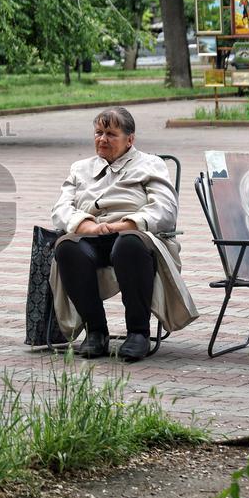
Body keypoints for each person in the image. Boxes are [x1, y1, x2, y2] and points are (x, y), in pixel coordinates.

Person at [50, 107, 197, 361]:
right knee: (67, 247)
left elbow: (165, 209)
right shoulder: (80, 168)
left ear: (130, 139)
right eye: (98, 133)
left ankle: (138, 332)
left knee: (128, 244)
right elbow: (61, 208)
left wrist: (125, 224)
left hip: (137, 237)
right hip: (92, 234)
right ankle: (96, 332)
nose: (102, 139)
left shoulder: (151, 164)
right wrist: (86, 225)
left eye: (111, 134)